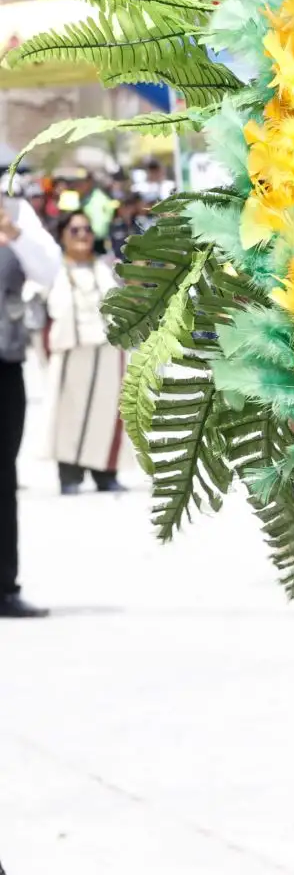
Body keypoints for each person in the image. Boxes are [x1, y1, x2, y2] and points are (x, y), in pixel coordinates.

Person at [2, 196, 59, 618]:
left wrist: (14, 234)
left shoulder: (17, 214)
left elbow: (47, 271)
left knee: (2, 477)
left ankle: (4, 586)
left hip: (3, 362)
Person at [43, 212, 125, 494]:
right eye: (75, 230)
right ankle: (70, 476)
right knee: (67, 413)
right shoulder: (51, 270)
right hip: (69, 352)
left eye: (87, 229)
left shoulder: (106, 268)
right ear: (63, 235)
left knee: (107, 413)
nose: (82, 235)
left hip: (106, 352)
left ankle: (105, 474)